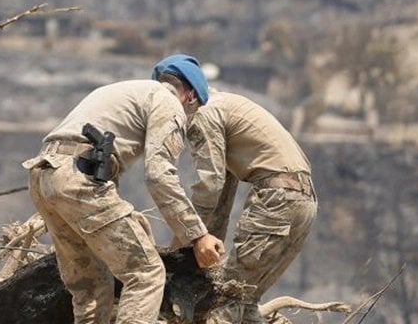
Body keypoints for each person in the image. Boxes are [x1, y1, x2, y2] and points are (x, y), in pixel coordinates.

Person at [22, 78, 225, 324]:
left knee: (91, 287)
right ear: (190, 96)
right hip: (79, 176)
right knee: (146, 273)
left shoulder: (123, 91)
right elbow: (159, 175)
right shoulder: (168, 100)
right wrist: (197, 235)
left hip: (44, 175)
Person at [151, 54, 317, 324]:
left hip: (276, 200)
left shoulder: (203, 115)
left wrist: (185, 240)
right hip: (302, 202)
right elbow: (221, 198)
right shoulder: (225, 108)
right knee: (244, 302)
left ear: (188, 94)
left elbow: (209, 187)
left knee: (223, 305)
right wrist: (201, 245)